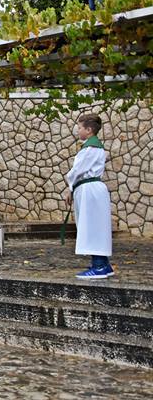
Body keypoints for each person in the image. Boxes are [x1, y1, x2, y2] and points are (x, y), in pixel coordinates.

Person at [65, 113, 114, 279]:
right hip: (90, 189)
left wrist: (69, 187)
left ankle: (99, 266)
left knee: (92, 227)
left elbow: (77, 171)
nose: (77, 130)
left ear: (89, 130)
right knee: (94, 226)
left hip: (89, 190)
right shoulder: (94, 147)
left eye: (80, 128)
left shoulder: (90, 149)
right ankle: (102, 263)